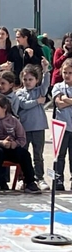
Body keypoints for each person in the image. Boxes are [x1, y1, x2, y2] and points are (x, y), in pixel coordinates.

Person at [0, 94, 40, 194]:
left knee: (24, 154)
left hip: (10, 148)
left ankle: (30, 182)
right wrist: (1, 143)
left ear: (4, 108)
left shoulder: (14, 121)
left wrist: (15, 144)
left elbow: (22, 139)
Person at [16, 61, 51, 190]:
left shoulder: (39, 90)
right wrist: (37, 101)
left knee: (38, 155)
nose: (28, 82)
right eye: (25, 79)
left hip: (38, 128)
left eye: (31, 79)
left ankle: (39, 178)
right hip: (24, 129)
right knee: (23, 154)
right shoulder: (19, 93)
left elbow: (46, 84)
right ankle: (22, 178)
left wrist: (46, 69)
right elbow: (24, 104)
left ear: (36, 80)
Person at [53, 58, 72, 190]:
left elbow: (63, 101)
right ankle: (58, 180)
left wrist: (66, 99)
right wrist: (64, 99)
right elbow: (58, 103)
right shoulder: (58, 86)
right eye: (65, 72)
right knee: (60, 155)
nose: (67, 75)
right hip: (62, 126)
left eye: (70, 73)